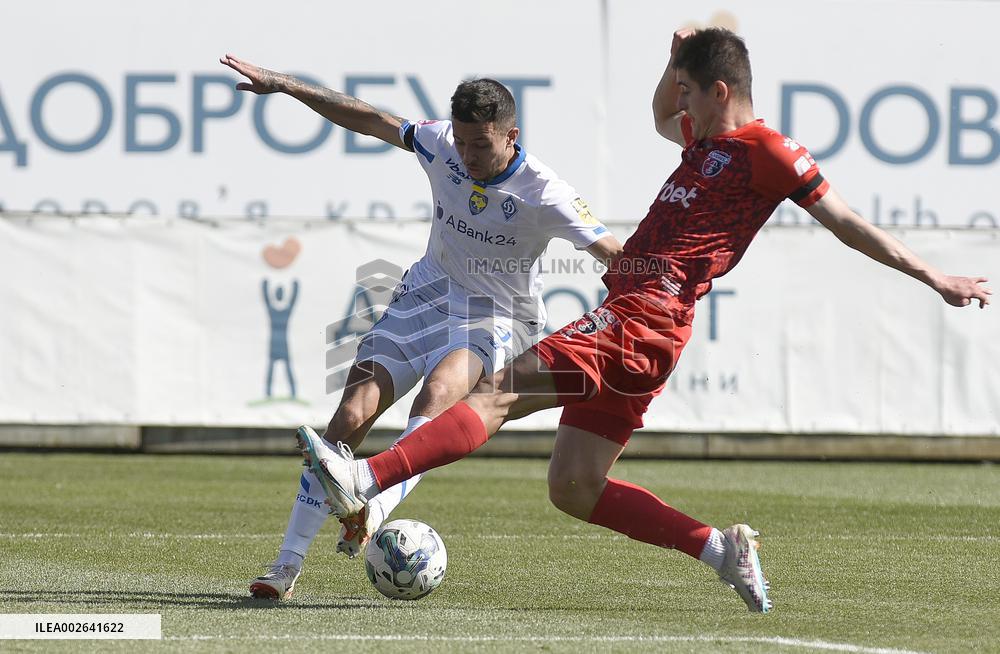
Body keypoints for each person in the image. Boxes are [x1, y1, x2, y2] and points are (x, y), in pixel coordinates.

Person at [297, 27, 992, 613]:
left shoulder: (770, 152)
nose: (676, 103)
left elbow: (846, 222)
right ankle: (720, 549)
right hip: (641, 321)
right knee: (573, 487)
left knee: (497, 391)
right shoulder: (701, 143)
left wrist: (931, 276)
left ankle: (368, 479)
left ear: (719, 91)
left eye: (688, 88)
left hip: (645, 314)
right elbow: (661, 115)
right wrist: (673, 61)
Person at [219, 54, 622, 600]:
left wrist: (667, 288)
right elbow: (366, 118)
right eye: (462, 142)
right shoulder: (440, 144)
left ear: (511, 137)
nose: (468, 155)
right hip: (425, 295)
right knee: (349, 416)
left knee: (435, 398)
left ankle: (374, 505)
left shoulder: (544, 191)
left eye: (481, 144)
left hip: (494, 315)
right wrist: (286, 86)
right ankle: (284, 567)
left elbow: (613, 253)